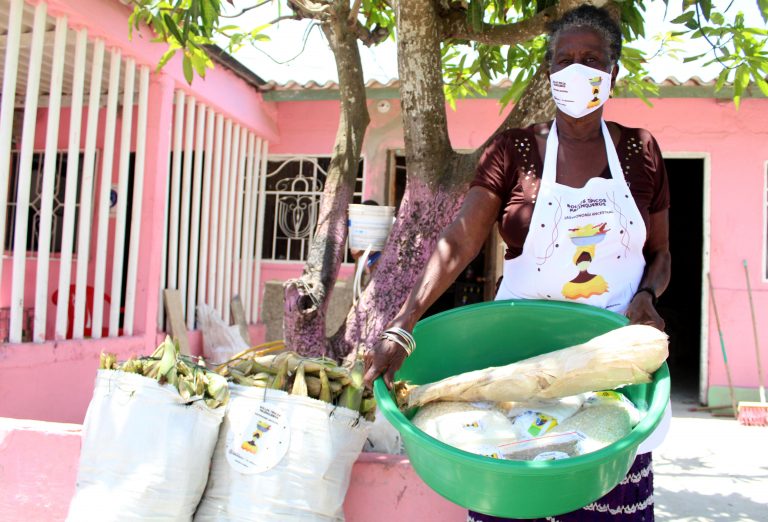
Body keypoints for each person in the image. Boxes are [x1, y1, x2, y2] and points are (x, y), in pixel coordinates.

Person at [364, 5, 671, 521]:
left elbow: (660, 254)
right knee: (514, 498)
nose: (577, 70)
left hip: (610, 367)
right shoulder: (514, 151)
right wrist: (403, 323)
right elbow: (459, 240)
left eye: (591, 59)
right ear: (548, 73)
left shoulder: (641, 150)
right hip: (515, 366)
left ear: (612, 73)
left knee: (607, 501)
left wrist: (647, 295)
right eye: (563, 60)